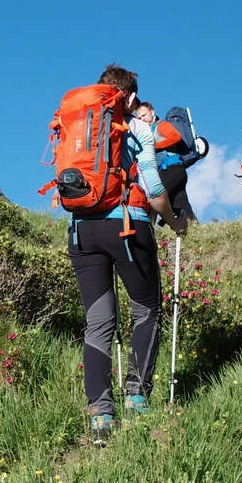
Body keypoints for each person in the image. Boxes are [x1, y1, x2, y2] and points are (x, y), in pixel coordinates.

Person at [64, 65, 184, 446]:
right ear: (130, 98)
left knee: (98, 321)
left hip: (82, 231)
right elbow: (153, 189)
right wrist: (175, 222)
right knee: (146, 311)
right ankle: (136, 395)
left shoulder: (79, 124)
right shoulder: (137, 129)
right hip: (128, 226)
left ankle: (101, 414)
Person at [133, 100, 208, 224]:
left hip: (171, 169)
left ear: (152, 112)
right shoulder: (149, 131)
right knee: (181, 204)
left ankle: (147, 227)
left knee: (154, 198)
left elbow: (175, 136)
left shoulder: (161, 126)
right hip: (176, 171)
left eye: (144, 115)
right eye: (139, 118)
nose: (142, 119)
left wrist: (155, 146)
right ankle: (194, 229)